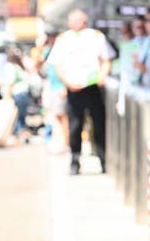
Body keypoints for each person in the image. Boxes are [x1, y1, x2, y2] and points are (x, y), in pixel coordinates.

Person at [47, 9, 116, 174]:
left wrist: (102, 76)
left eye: (80, 20)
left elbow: (106, 60)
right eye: (74, 20)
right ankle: (75, 161)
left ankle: (103, 160)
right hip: (73, 88)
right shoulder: (64, 39)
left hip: (92, 86)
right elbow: (57, 64)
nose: (78, 23)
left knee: (99, 125)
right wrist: (67, 82)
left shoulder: (96, 36)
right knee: (75, 126)